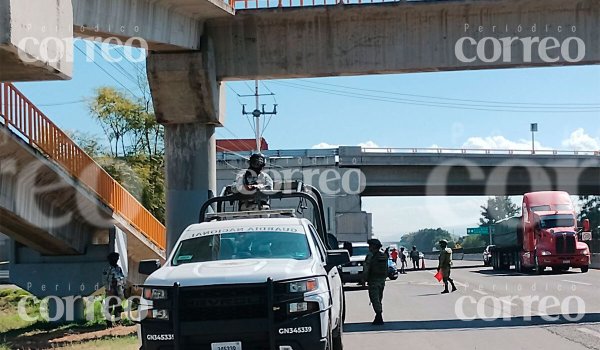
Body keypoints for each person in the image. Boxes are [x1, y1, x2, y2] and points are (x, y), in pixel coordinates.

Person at [362, 239, 388, 325]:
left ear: (373, 246)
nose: (369, 247)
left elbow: (366, 268)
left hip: (373, 280)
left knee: (374, 299)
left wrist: (363, 279)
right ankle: (378, 316)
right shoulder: (383, 255)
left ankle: (379, 315)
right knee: (379, 298)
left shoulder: (370, 256)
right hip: (382, 280)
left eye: (370, 245)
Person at [103, 252, 125, 327]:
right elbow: (105, 280)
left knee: (118, 306)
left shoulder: (118, 268)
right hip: (110, 289)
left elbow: (122, 277)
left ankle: (118, 321)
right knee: (109, 307)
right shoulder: (107, 269)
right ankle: (109, 324)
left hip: (118, 289)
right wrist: (108, 289)